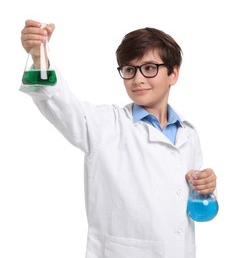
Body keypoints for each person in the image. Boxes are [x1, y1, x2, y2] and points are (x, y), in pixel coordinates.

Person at [20, 19, 217, 258]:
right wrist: (41, 59)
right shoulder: (106, 124)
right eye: (129, 69)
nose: (138, 79)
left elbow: (183, 200)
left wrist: (206, 188)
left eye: (149, 68)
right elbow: (63, 106)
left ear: (173, 73)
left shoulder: (189, 134)